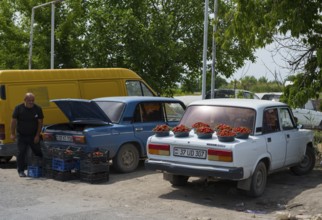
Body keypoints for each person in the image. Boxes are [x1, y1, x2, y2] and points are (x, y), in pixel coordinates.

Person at [10, 93, 44, 177]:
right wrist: (12, 134)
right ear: (24, 100)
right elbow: (13, 122)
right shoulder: (18, 108)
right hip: (21, 135)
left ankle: (42, 168)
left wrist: (37, 135)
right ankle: (21, 171)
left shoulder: (38, 109)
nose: (31, 102)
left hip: (33, 136)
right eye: (29, 101)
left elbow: (40, 123)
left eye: (33, 100)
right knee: (21, 153)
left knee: (38, 152)